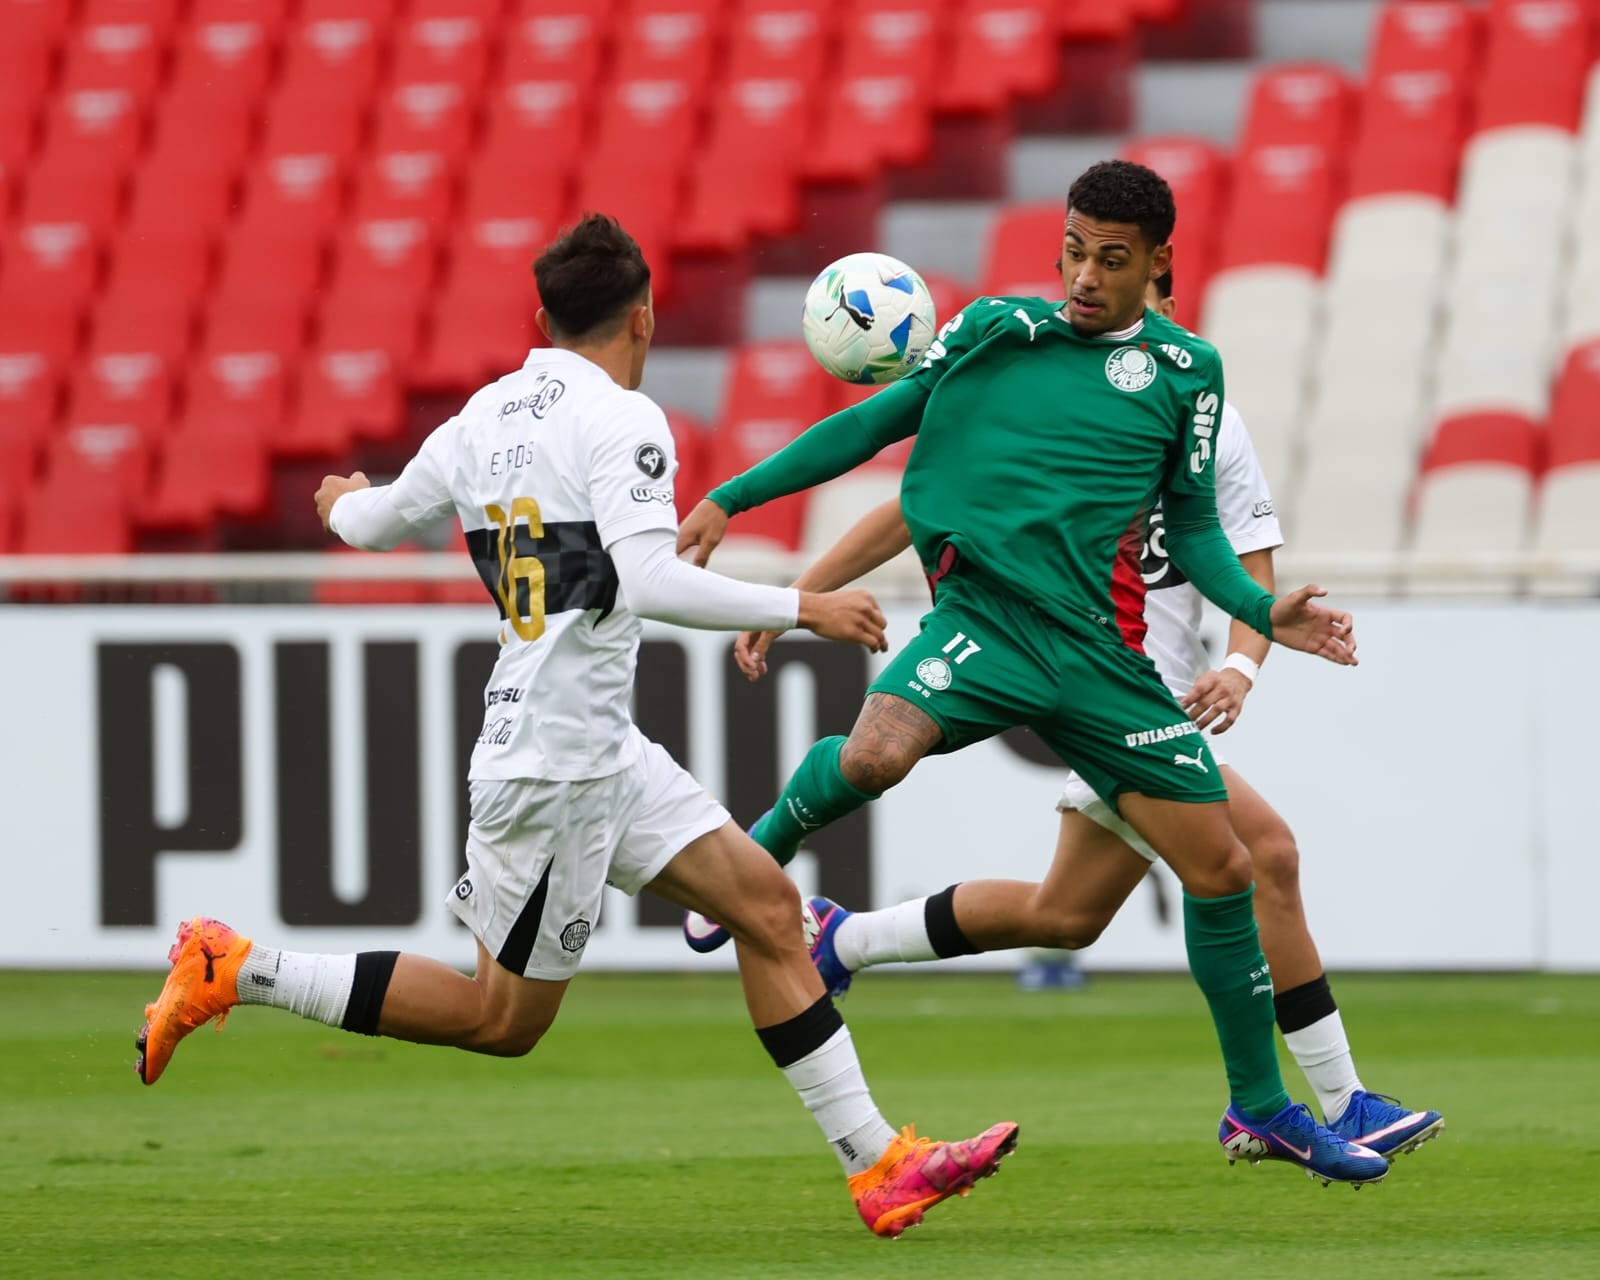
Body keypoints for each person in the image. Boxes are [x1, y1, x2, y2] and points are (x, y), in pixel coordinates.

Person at [133, 213, 1018, 1239]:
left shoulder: (476, 419)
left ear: (541, 316)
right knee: (499, 1019)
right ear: (642, 317)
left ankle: (880, 1166)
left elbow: (372, 525)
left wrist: (343, 501)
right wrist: (802, 604)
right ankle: (237, 965)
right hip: (554, 764)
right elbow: (642, 578)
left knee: (771, 912)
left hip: (601, 747)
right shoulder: (623, 419)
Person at [675, 161, 1387, 1187]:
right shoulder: (996, 331)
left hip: (1102, 660)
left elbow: (1194, 529)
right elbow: (876, 425)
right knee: (875, 755)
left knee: (1225, 869)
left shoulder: (1191, 373)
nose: (1085, 276)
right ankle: (763, 847)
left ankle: (1261, 1106)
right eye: (1074, 251)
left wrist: (1262, 612)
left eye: (1111, 258)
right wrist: (735, 495)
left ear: (1157, 263)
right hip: (985, 624)